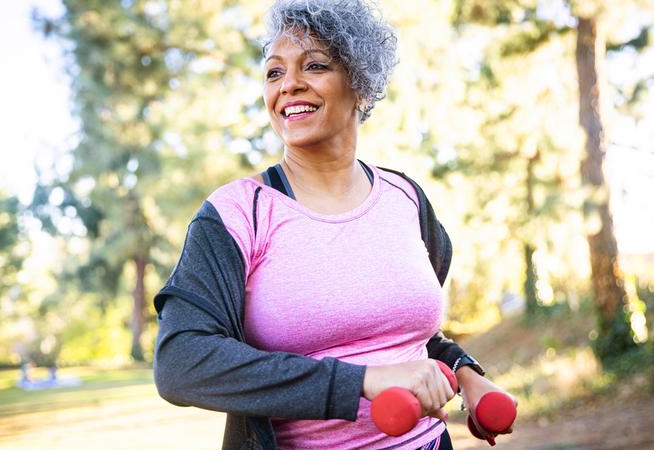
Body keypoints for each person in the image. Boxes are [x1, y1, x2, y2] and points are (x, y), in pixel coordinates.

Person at [153, 0, 515, 448]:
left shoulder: (406, 199)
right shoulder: (237, 213)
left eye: (315, 65)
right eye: (274, 72)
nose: (289, 85)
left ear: (360, 85)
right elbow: (180, 363)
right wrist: (361, 382)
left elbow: (406, 336)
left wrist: (467, 374)